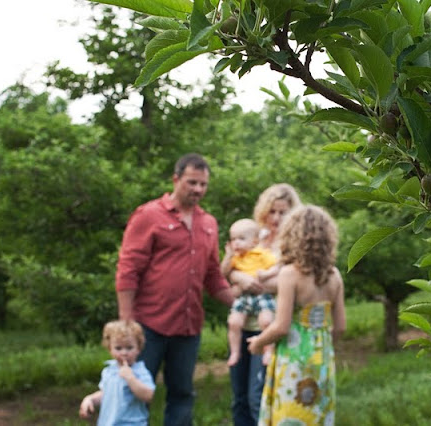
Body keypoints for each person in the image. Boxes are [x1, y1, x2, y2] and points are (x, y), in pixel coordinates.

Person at [115, 153, 236, 426]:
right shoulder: (149, 215)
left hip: (187, 326)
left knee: (182, 394)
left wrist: (240, 304)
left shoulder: (208, 223)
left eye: (203, 184)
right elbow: (128, 269)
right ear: (176, 179)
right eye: (192, 182)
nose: (198, 189)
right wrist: (126, 323)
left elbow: (213, 275)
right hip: (147, 325)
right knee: (135, 394)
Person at [247, 205, 346, 426]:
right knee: (316, 415)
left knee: (291, 412)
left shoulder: (290, 274)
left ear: (291, 237)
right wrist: (320, 343)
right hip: (322, 357)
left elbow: (281, 326)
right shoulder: (334, 275)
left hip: (293, 357)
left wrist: (258, 342)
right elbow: (340, 327)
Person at [228, 183, 301, 426]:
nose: (276, 218)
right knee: (239, 398)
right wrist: (240, 278)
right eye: (272, 211)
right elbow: (232, 271)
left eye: (283, 212)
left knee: (256, 396)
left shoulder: (292, 244)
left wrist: (254, 283)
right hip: (243, 324)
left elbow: (291, 283)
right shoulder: (251, 238)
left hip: (270, 327)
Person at [221, 218, 280, 367]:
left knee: (266, 321)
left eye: (241, 239)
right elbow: (223, 272)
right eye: (233, 239)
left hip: (262, 295)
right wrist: (228, 256)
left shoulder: (261, 254)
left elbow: (276, 267)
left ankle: (268, 350)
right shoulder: (235, 258)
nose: (236, 243)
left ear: (254, 241)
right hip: (244, 296)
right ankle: (235, 352)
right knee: (233, 322)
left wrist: (266, 274)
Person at [79, 319, 156, 425]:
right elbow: (106, 394)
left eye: (129, 348)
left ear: (138, 348)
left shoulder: (140, 371)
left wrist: (131, 378)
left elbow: (148, 396)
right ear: (110, 349)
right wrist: (90, 399)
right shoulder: (109, 370)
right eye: (118, 348)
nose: (124, 353)